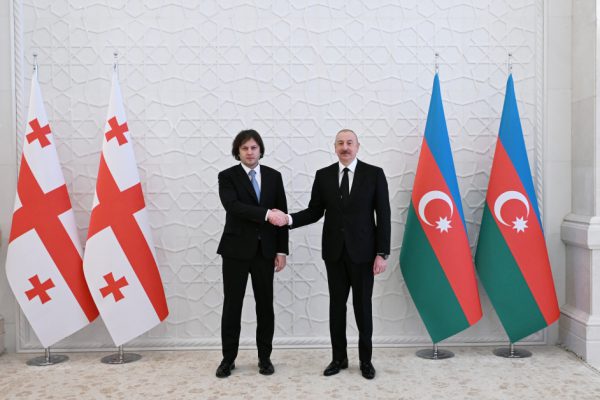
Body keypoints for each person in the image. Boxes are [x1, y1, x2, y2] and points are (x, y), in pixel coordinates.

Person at [270, 128, 390, 379]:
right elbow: (315, 211)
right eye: (340, 143)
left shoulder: (374, 174)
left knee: (362, 308)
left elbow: (384, 215)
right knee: (336, 307)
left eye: (349, 143)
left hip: (364, 254)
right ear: (334, 147)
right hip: (334, 253)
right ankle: (339, 358)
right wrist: (288, 219)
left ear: (357, 147)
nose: (345, 147)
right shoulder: (323, 175)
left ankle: (366, 361)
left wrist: (382, 253)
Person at [216, 129, 289, 378]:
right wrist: (266, 214)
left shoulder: (274, 176)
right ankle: (228, 359)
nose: (249, 152)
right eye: (244, 148)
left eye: (253, 147)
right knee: (232, 305)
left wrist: (281, 250)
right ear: (237, 151)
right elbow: (233, 206)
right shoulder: (227, 176)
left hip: (265, 252)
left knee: (265, 306)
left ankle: (264, 358)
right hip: (235, 251)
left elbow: (282, 215)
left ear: (260, 150)